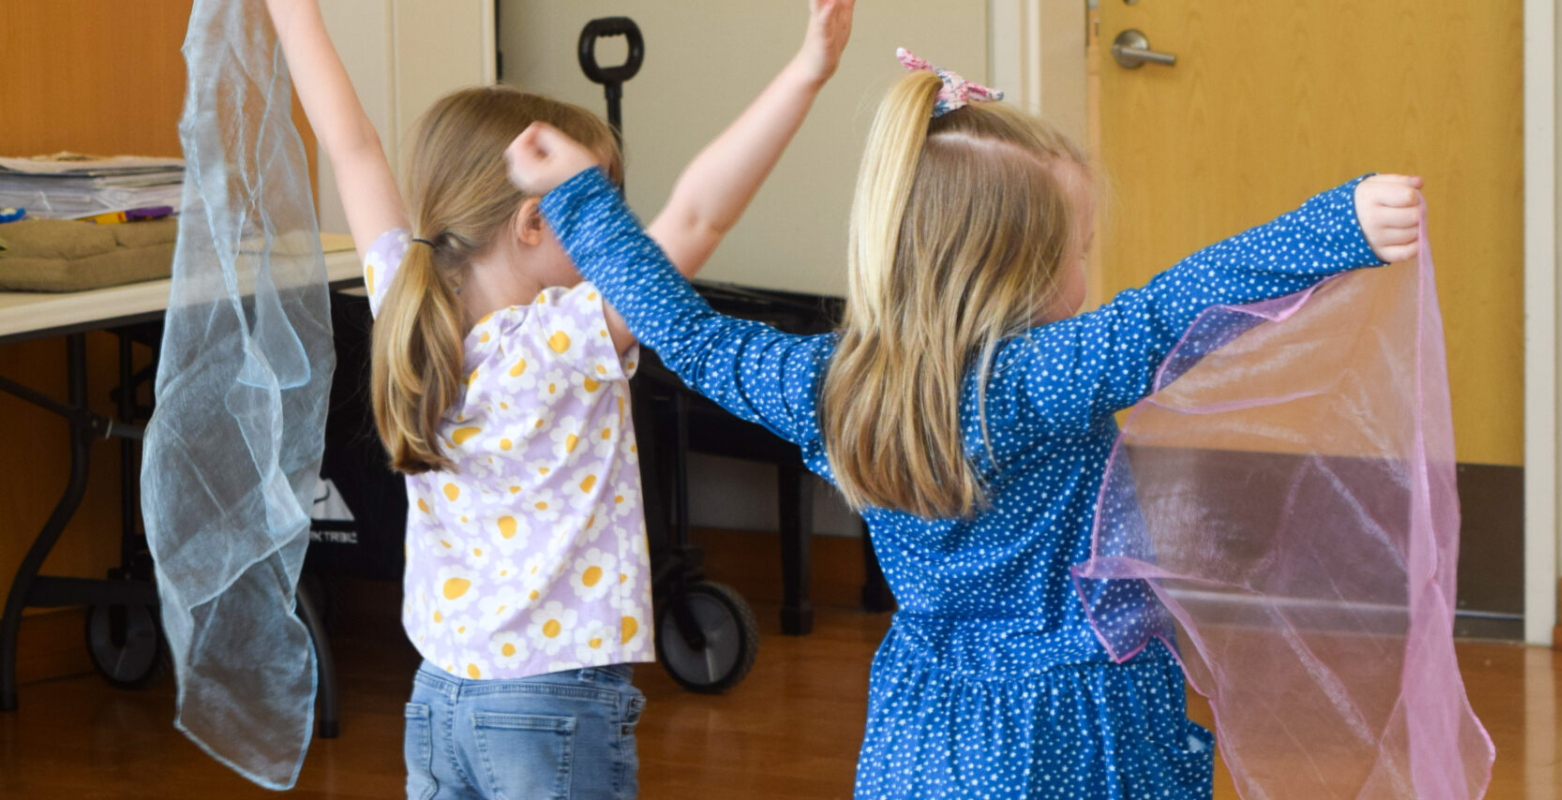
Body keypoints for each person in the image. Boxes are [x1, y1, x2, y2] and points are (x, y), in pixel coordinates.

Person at [500, 50, 1424, 799]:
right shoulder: (1039, 378)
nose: (1091, 279)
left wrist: (582, 199)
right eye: (1079, 255)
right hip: (1079, 709)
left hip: (928, 716)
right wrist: (1338, 223)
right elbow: (1171, 309)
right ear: (1013, 276)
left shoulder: (830, 386)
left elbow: (690, 336)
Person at [261, 0, 856, 797]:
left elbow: (353, 147)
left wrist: (294, 16)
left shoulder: (408, 307)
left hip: (439, 697)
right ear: (539, 222)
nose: (615, 235)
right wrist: (806, 72)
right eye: (596, 209)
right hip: (553, 704)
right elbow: (700, 215)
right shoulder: (563, 340)